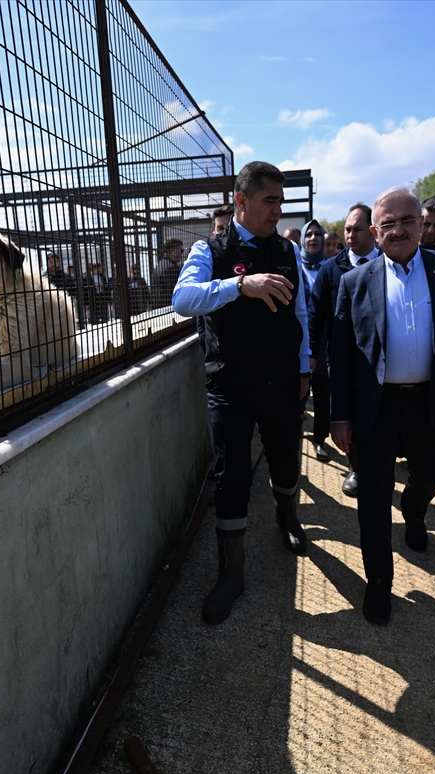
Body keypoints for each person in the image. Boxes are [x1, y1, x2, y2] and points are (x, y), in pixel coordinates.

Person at [329, 187, 435, 625]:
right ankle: (379, 583)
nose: (398, 230)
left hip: (429, 402)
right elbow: (340, 356)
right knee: (373, 495)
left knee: (427, 476)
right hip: (376, 406)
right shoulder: (353, 282)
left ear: (422, 225)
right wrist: (339, 415)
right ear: (375, 232)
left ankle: (415, 513)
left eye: (407, 221)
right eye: (388, 224)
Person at [172, 161, 312, 625]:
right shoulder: (209, 249)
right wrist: (239, 285)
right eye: (270, 201)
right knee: (232, 478)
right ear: (241, 200)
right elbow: (183, 300)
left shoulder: (287, 251)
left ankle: (287, 519)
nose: (278, 210)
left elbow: (301, 313)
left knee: (285, 461)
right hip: (230, 385)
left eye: (280, 201)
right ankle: (231, 575)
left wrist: (304, 365)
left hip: (281, 382)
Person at [310, 202, 379, 498]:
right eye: (347, 230)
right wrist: (311, 354)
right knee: (348, 413)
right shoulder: (331, 269)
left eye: (357, 229)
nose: (351, 235)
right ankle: (357, 468)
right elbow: (315, 314)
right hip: (342, 357)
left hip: (381, 358)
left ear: (373, 231)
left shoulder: (389, 264)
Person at [299, 218, 331, 461]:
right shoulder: (293, 267)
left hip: (324, 344)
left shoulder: (332, 268)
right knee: (297, 396)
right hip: (299, 344)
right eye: (308, 234)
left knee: (322, 399)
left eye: (317, 234)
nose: (313, 238)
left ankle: (320, 440)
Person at [152, 239, 184, 309]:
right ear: (175, 251)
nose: (182, 254)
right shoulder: (172, 268)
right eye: (181, 251)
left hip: (158, 307)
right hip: (168, 307)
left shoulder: (160, 265)